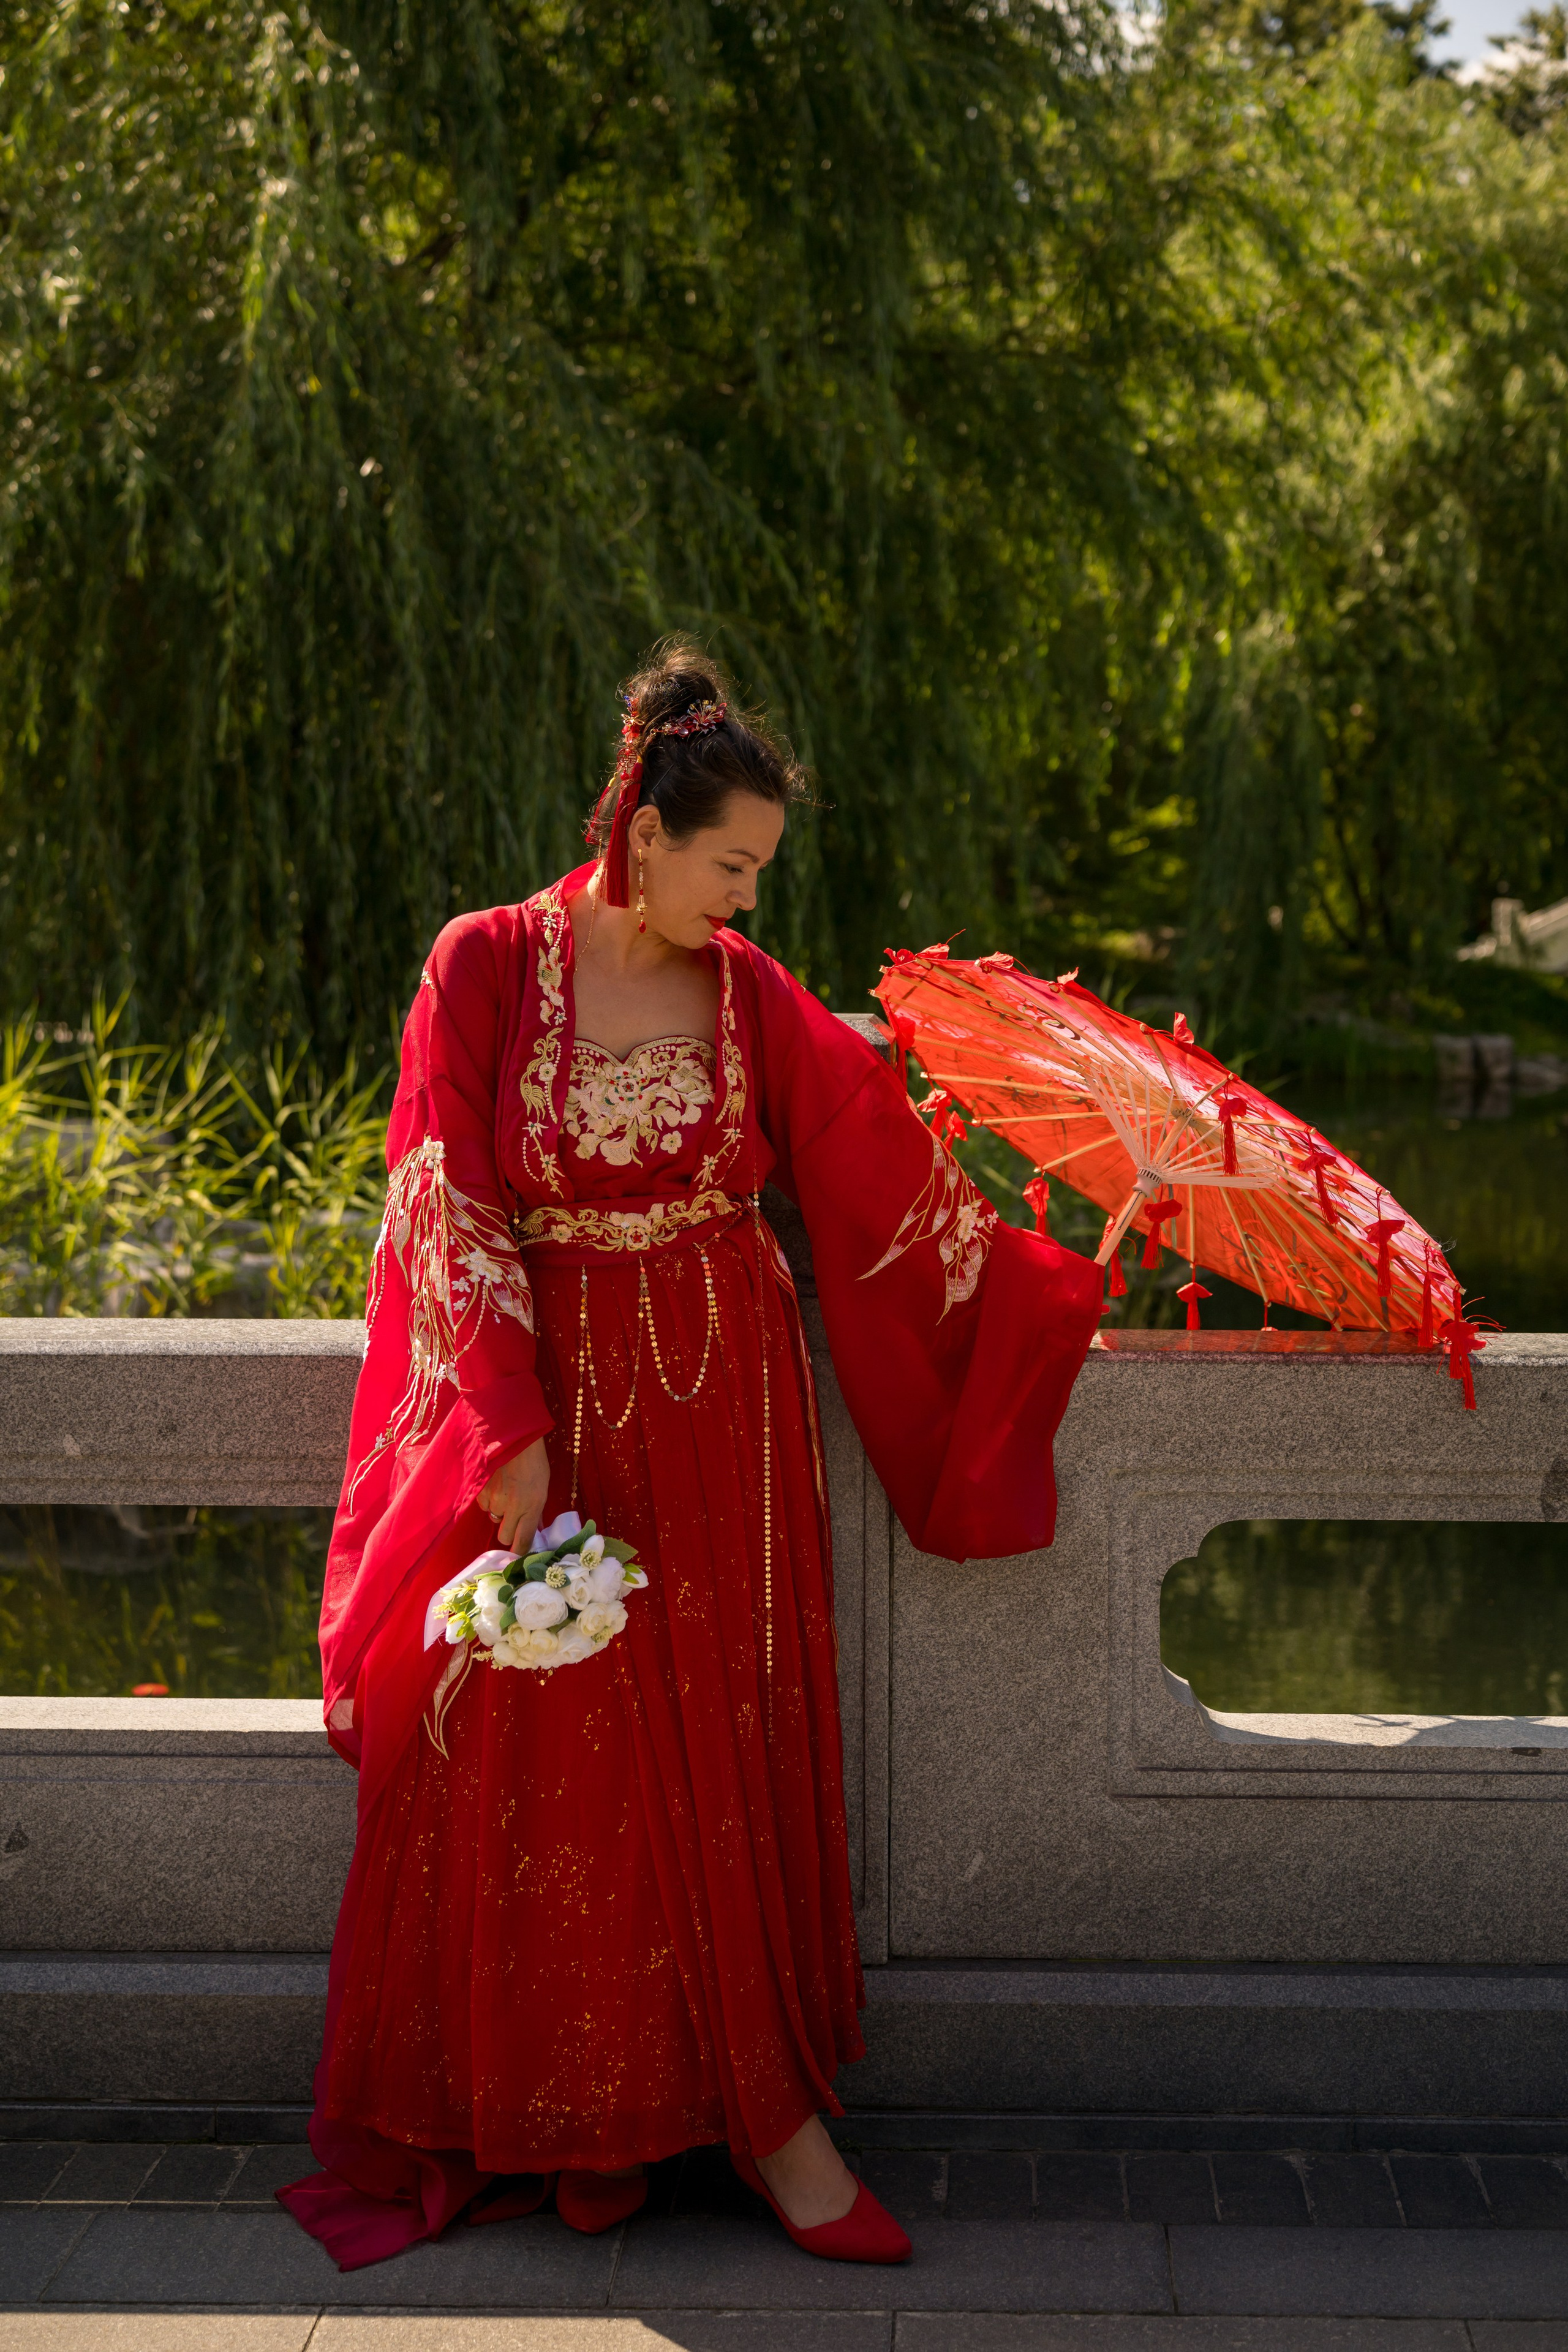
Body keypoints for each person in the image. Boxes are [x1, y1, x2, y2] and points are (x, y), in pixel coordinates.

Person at [279, 643, 1101, 2271]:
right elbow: (443, 1189)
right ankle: (553, 2106)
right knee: (558, 1763)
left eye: (759, 874)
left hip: (728, 1414)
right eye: (728, 864)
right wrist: (502, 1428)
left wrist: (1032, 1276)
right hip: (556, 1409)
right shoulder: (487, 964)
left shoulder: (747, 991)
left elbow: (876, 1155)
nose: (743, 899)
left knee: (715, 1752)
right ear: (642, 831)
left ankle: (769, 2125)